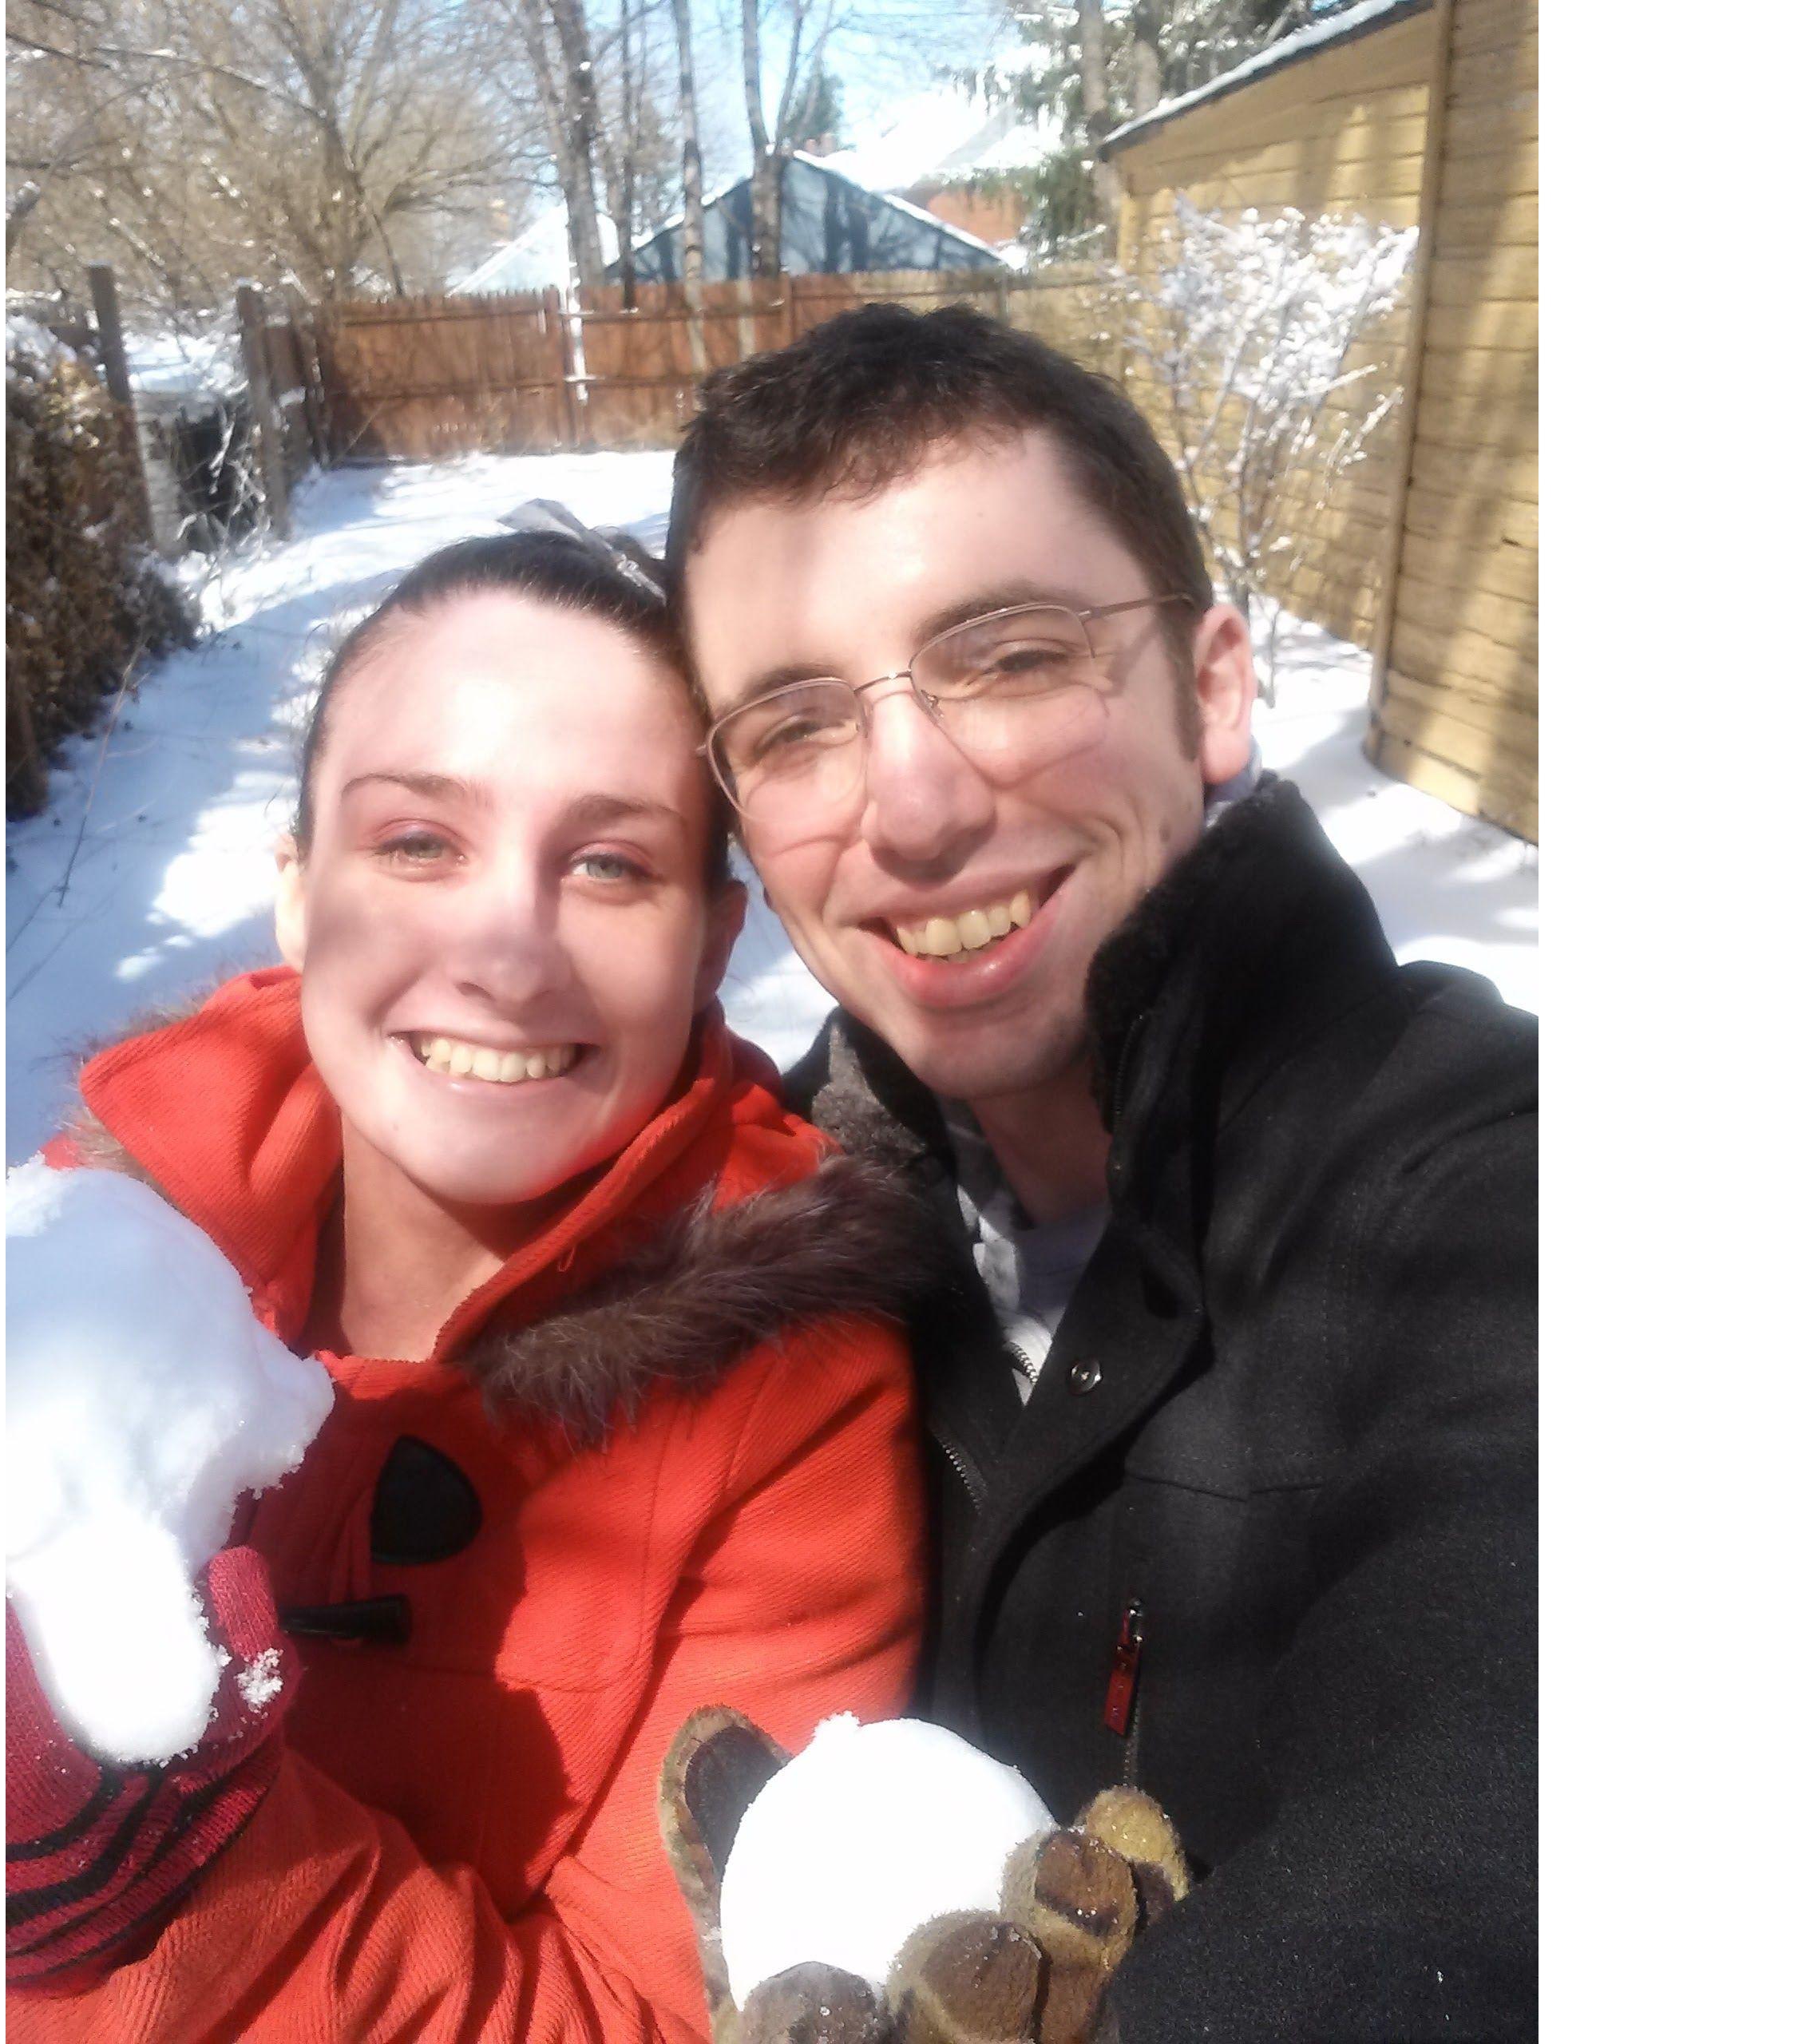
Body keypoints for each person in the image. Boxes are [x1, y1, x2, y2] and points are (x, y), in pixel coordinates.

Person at [666, 305, 1538, 2041]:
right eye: (790, 723)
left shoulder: (1489, 1200)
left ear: (1210, 686)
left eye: (1005, 653)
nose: (907, 805)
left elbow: (1504, 1820)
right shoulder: (755, 1247)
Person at [5, 529, 928, 2041]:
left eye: (612, 863)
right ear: (299, 890)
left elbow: (666, 2017)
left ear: (710, 943)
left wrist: (172, 1873)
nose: (505, 949)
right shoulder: (96, 1236)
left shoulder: (793, 1398)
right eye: (419, 843)